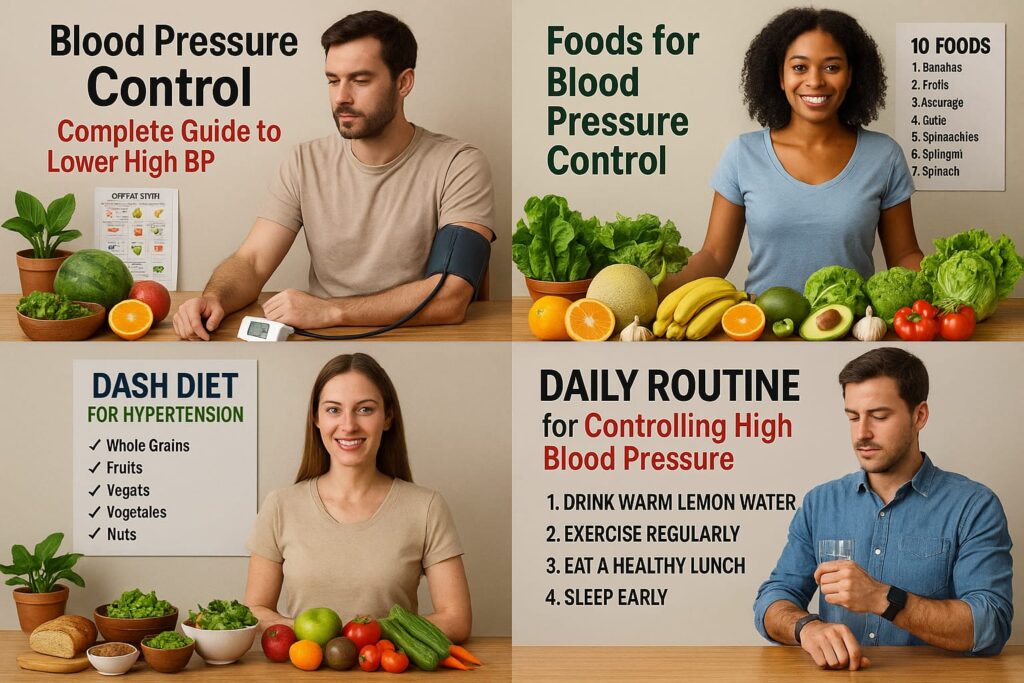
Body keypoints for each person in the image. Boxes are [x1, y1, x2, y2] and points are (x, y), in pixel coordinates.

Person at [173, 10, 495, 340]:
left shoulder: (459, 164)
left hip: (419, 343)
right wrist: (215, 298)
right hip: (325, 346)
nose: (341, 97)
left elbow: (450, 297)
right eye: (332, 80)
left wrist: (331, 310)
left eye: (360, 80)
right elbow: (252, 262)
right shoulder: (304, 162)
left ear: (404, 82)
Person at [754, 347, 1012, 670]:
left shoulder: (974, 506)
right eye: (853, 417)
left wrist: (882, 598)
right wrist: (806, 627)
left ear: (919, 416)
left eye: (879, 416)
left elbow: (991, 623)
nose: (862, 433)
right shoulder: (820, 503)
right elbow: (771, 600)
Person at [662, 8, 924, 298]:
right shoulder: (742, 154)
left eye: (831, 67)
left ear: (850, 76)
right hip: (763, 331)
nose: (815, 81)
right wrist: (651, 291)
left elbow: (904, 256)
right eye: (800, 67)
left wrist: (953, 289)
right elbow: (713, 256)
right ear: (780, 77)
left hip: (852, 332)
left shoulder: (883, 155)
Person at [244, 353, 472, 641]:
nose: (348, 425)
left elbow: (457, 619)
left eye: (365, 410)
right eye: (333, 410)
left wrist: (363, 638)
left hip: (391, 672)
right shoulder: (280, 505)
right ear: (316, 418)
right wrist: (319, 638)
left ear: (387, 417)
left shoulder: (426, 507)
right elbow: (255, 609)